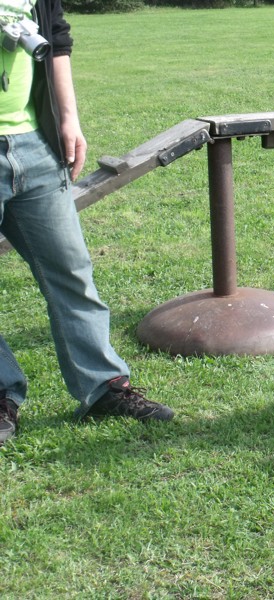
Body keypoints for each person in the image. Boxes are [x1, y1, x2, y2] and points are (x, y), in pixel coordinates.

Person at [0, 0, 174, 447]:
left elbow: (55, 39)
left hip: (33, 143)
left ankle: (102, 389)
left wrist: (68, 118)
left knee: (71, 272)